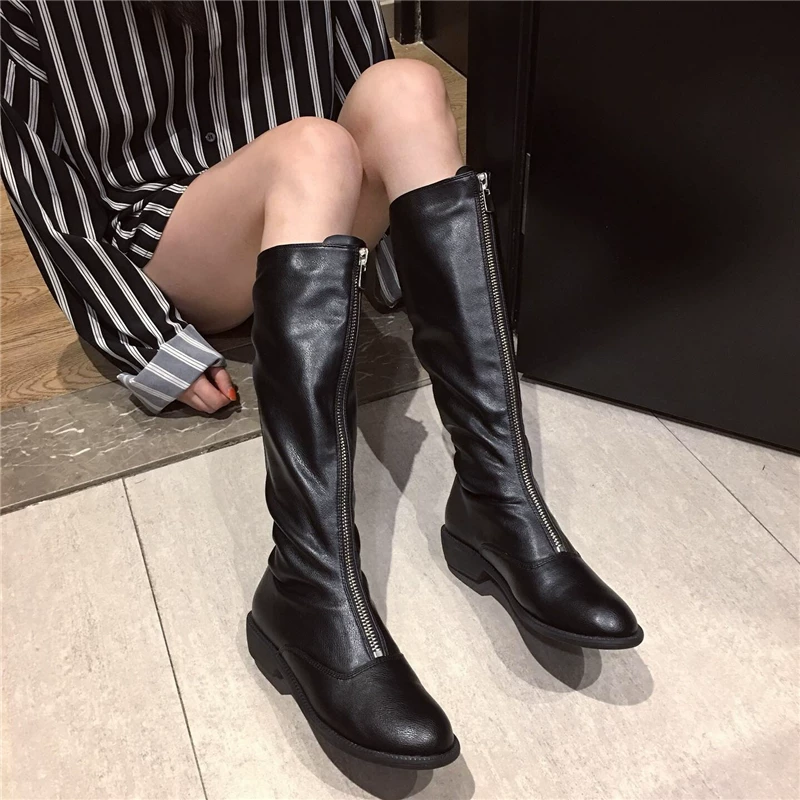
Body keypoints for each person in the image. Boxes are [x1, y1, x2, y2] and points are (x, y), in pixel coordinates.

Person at [1, 0, 642, 770]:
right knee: (311, 145)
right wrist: (149, 339)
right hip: (176, 223)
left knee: (405, 88)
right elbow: (41, 181)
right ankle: (306, 586)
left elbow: (356, 62)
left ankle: (497, 497)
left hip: (321, 194)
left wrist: (390, 262)